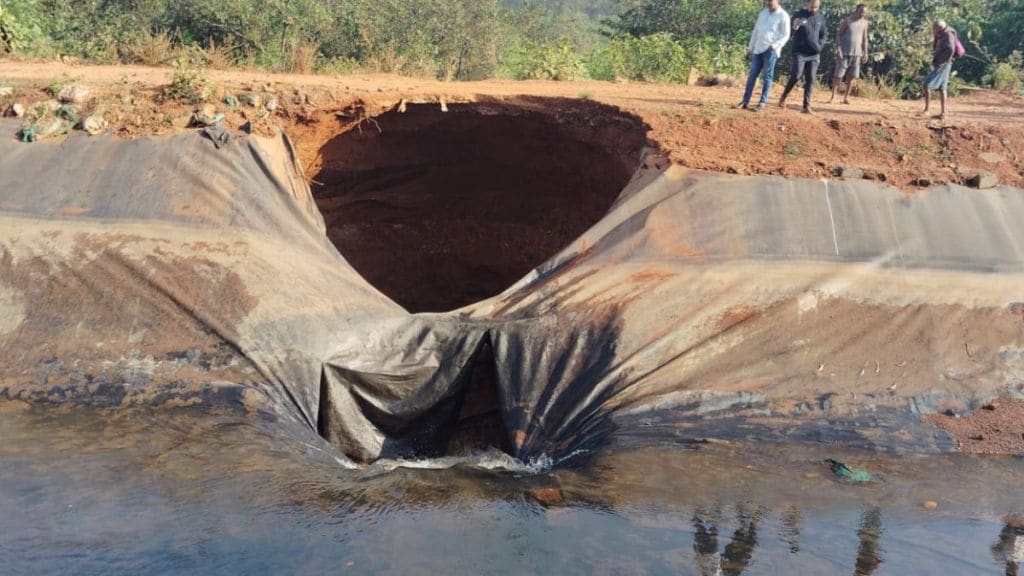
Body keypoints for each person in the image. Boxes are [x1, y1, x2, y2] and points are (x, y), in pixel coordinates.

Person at [736, 0, 791, 112]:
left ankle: (762, 102)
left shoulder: (783, 15)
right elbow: (756, 31)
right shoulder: (763, 13)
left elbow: (786, 35)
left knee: (767, 77)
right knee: (752, 75)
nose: (769, 3)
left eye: (771, 1)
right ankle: (745, 101)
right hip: (758, 48)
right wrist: (750, 48)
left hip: (770, 50)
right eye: (767, 1)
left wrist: (775, 46)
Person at [778, 0, 827, 114]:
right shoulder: (798, 15)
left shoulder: (820, 18)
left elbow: (824, 34)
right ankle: (784, 96)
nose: (813, 10)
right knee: (796, 75)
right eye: (812, 7)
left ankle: (806, 106)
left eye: (816, 7)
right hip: (800, 52)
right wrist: (795, 26)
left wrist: (819, 46)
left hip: (814, 54)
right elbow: (789, 33)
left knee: (811, 78)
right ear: (807, 5)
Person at [830, 4, 870, 104]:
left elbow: (865, 39)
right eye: (861, 11)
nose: (862, 14)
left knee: (852, 77)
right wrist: (839, 48)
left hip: (857, 54)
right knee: (838, 76)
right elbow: (839, 35)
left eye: (864, 12)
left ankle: (846, 98)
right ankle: (833, 97)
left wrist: (865, 52)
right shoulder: (848, 21)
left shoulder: (865, 23)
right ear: (856, 11)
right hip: (845, 52)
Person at [923, 20, 957, 120]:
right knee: (942, 89)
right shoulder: (943, 34)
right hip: (946, 63)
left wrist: (941, 61)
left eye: (935, 29)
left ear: (940, 28)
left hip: (943, 64)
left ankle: (927, 110)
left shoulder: (947, 34)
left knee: (926, 85)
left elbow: (950, 49)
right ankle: (943, 113)